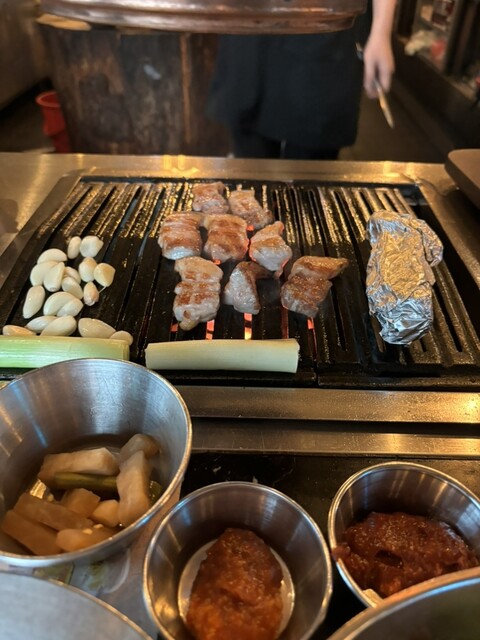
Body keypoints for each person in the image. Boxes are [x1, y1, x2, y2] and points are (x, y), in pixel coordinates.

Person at [206, 0, 397, 160]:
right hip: (249, 23)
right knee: (250, 155)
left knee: (315, 153)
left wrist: (381, 32)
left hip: (327, 25)